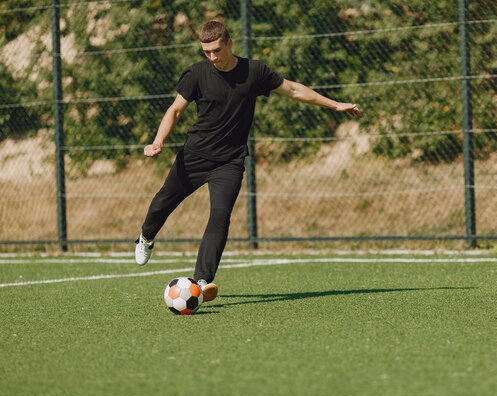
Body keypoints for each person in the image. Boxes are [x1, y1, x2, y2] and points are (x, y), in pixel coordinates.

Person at [135, 21, 362, 302]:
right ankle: (146, 237)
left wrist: (335, 104)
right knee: (162, 203)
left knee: (220, 215)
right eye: (207, 52)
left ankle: (202, 281)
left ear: (230, 43)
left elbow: (292, 90)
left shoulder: (254, 72)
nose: (213, 57)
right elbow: (175, 110)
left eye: (217, 50)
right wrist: (159, 141)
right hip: (194, 156)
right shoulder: (196, 74)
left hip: (228, 162)